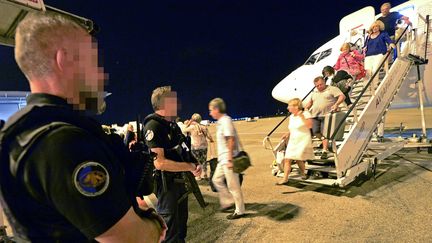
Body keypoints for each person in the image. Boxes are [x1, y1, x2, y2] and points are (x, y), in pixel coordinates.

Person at [0, 12, 165, 242]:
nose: (101, 75)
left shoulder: (21, 133)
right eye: (94, 62)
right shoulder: (65, 142)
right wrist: (154, 224)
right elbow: (129, 238)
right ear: (64, 60)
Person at [143, 86, 202, 242]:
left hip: (179, 183)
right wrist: (189, 167)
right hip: (166, 186)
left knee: (181, 228)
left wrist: (195, 163)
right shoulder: (153, 126)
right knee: (170, 232)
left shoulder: (172, 125)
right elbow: (160, 163)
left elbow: (183, 147)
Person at [209, 98, 246, 220]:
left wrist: (230, 158)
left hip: (229, 158)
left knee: (233, 186)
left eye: (211, 110)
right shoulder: (221, 122)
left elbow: (231, 139)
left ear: (216, 109)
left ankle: (240, 210)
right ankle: (228, 201)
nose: (210, 113)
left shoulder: (226, 121)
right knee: (216, 180)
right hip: (222, 159)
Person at [304, 76, 345, 159]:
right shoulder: (314, 92)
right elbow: (310, 102)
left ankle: (325, 151)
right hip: (315, 115)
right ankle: (326, 144)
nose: (319, 87)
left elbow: (342, 96)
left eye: (320, 84)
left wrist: (336, 104)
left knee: (325, 132)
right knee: (316, 132)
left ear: (324, 82)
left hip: (327, 115)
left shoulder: (332, 89)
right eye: (317, 86)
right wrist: (305, 108)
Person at [276, 98, 314, 185]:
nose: (287, 108)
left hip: (303, 139)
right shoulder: (291, 116)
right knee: (288, 159)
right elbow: (293, 127)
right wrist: (287, 133)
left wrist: (302, 116)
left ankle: (302, 174)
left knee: (297, 159)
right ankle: (286, 178)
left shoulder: (305, 113)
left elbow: (310, 125)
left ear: (296, 107)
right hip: (293, 140)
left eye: (289, 106)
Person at [363, 20, 395, 93]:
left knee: (375, 69)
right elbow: (365, 46)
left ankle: (375, 85)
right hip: (368, 55)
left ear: (379, 27)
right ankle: (366, 86)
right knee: (367, 71)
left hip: (379, 54)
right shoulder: (368, 37)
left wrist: (391, 44)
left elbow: (388, 40)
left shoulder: (383, 34)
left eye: (376, 26)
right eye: (373, 27)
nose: (375, 28)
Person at [183, 113, 214, 180]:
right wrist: (210, 140)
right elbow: (209, 137)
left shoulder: (191, 127)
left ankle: (198, 176)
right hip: (204, 146)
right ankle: (205, 174)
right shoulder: (204, 127)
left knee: (196, 161)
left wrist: (189, 123)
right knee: (204, 160)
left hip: (195, 147)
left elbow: (184, 130)